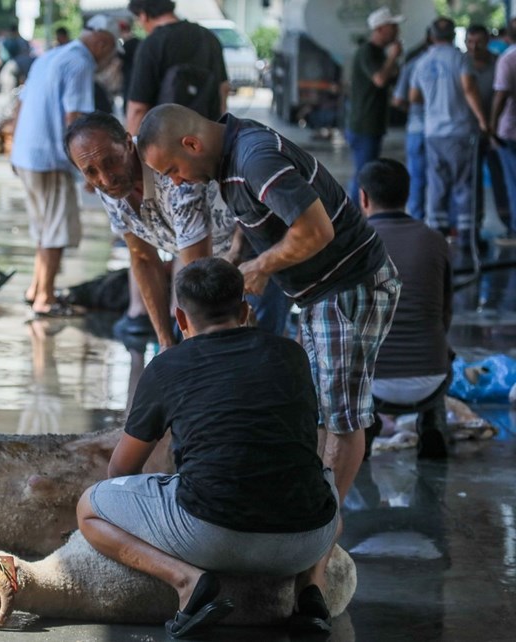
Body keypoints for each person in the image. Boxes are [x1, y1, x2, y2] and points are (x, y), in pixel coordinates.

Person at [137, 104, 400, 613]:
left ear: (191, 145)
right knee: (317, 409)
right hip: (315, 292)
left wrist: (259, 267)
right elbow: (258, 221)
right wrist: (239, 255)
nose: (176, 182)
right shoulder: (231, 161)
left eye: (171, 170)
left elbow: (315, 232)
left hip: (348, 289)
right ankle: (312, 524)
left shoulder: (255, 157)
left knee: (341, 418)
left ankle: (316, 550)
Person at [77, 258, 340, 638]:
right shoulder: (291, 354)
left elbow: (121, 470)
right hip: (306, 540)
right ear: (246, 310)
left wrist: (161, 493)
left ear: (181, 319)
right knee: (326, 486)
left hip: (210, 538)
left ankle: (188, 583)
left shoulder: (168, 366)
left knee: (90, 506)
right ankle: (310, 589)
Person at [65, 111, 277, 348]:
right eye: (90, 171)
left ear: (127, 143)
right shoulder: (111, 186)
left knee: (254, 353)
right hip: (213, 267)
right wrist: (165, 341)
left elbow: (198, 266)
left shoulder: (171, 170)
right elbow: (143, 258)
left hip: (257, 253)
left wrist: (194, 346)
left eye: (111, 161)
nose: (105, 178)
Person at [11, 17, 120, 317]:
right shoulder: (80, 63)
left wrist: (12, 151)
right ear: (101, 43)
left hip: (27, 155)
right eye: (110, 51)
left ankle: (36, 289)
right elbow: (76, 120)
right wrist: (89, 168)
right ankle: (45, 298)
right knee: (55, 230)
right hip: (49, 159)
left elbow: (19, 104)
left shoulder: (51, 55)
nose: (109, 59)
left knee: (44, 228)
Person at [358, 159, 451, 459]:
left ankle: (366, 426)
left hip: (374, 384)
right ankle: (431, 422)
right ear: (407, 196)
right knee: (441, 342)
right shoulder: (435, 241)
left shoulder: (354, 243)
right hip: (432, 378)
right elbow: (445, 314)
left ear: (364, 198)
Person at [410, 17, 486, 239]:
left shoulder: (421, 62)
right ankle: (466, 236)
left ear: (431, 36)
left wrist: (434, 100)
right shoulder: (460, 59)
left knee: (437, 184)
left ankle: (438, 233)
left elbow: (413, 97)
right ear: (453, 35)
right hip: (460, 131)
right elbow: (469, 88)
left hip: (433, 132)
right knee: (464, 184)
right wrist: (483, 120)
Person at [124, 0, 229, 133]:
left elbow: (138, 107)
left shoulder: (152, 44)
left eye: (137, 19)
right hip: (206, 136)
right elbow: (224, 88)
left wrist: (132, 144)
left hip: (166, 139)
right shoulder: (208, 37)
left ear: (144, 15)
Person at [345, 7, 403, 204]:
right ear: (380, 29)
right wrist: (393, 57)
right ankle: (353, 217)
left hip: (373, 124)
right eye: (392, 26)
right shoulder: (367, 52)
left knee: (365, 171)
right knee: (364, 174)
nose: (397, 30)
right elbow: (379, 79)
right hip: (364, 125)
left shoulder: (378, 53)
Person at [467, 24, 509, 234]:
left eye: (479, 42)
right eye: (470, 42)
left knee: (501, 178)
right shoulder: (461, 63)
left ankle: (508, 222)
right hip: (469, 131)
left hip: (496, 130)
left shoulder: (498, 62)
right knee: (471, 182)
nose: (474, 47)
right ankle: (474, 224)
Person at [391, 29, 431, 221]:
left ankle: (417, 219)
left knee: (416, 179)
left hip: (417, 128)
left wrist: (414, 110)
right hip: (446, 131)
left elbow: (398, 100)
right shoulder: (460, 62)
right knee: (447, 180)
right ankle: (448, 226)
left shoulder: (414, 65)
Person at [493, 18, 516, 239]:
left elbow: (500, 95)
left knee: (512, 181)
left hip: (510, 130)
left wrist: (490, 126)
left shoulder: (507, 59)